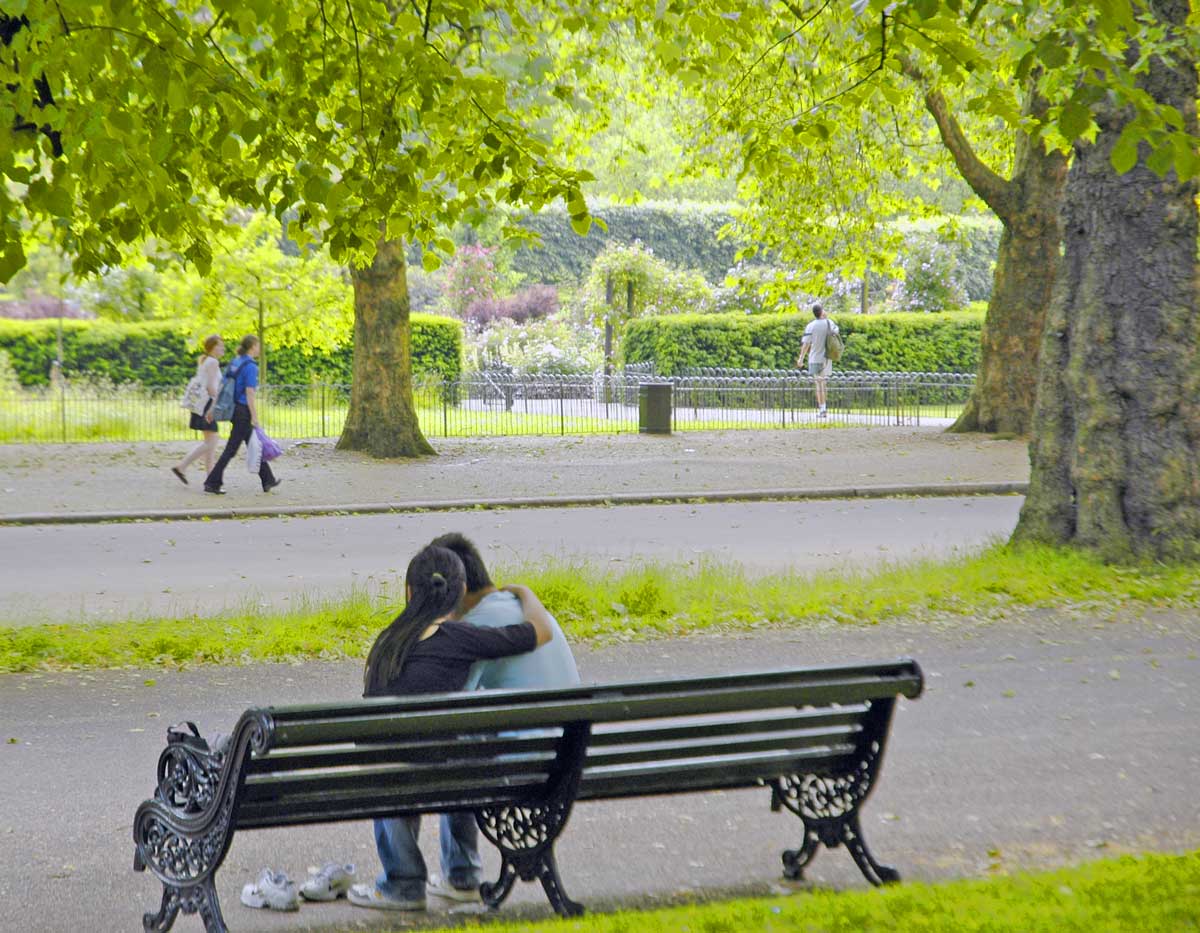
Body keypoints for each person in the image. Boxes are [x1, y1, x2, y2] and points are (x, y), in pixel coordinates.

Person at [349, 545, 553, 913]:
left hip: (392, 778)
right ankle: (462, 876)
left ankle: (403, 882)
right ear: (459, 594)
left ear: (409, 592)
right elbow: (541, 632)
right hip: (451, 776)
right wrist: (524, 592)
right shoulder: (463, 637)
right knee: (466, 743)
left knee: (391, 759)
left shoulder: (386, 643)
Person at [422, 532, 581, 905]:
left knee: (454, 744)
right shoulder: (530, 614)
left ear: (455, 590)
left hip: (524, 769)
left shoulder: (473, 627)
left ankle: (460, 874)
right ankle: (460, 873)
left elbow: (450, 708)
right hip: (567, 764)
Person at [203, 334, 280, 495]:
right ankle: (212, 482)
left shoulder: (235, 362)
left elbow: (222, 386)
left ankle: (268, 480)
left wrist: (212, 408)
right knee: (231, 449)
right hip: (244, 411)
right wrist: (255, 416)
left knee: (254, 444)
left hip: (235, 410)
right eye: (258, 346)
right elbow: (250, 392)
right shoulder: (251, 366)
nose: (259, 349)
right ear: (252, 346)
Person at [171, 335, 225, 484]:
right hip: (207, 405)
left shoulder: (206, 361)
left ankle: (210, 478)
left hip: (201, 405)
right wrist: (215, 406)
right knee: (211, 442)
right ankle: (181, 467)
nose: (223, 349)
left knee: (210, 442)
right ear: (213, 347)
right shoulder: (213, 362)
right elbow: (211, 387)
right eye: (220, 346)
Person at [796, 303, 839, 419]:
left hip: (814, 358)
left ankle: (822, 408)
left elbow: (806, 344)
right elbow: (836, 332)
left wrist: (800, 358)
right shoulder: (829, 323)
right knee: (824, 383)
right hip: (826, 358)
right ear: (822, 312)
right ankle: (824, 408)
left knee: (818, 384)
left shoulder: (810, 326)